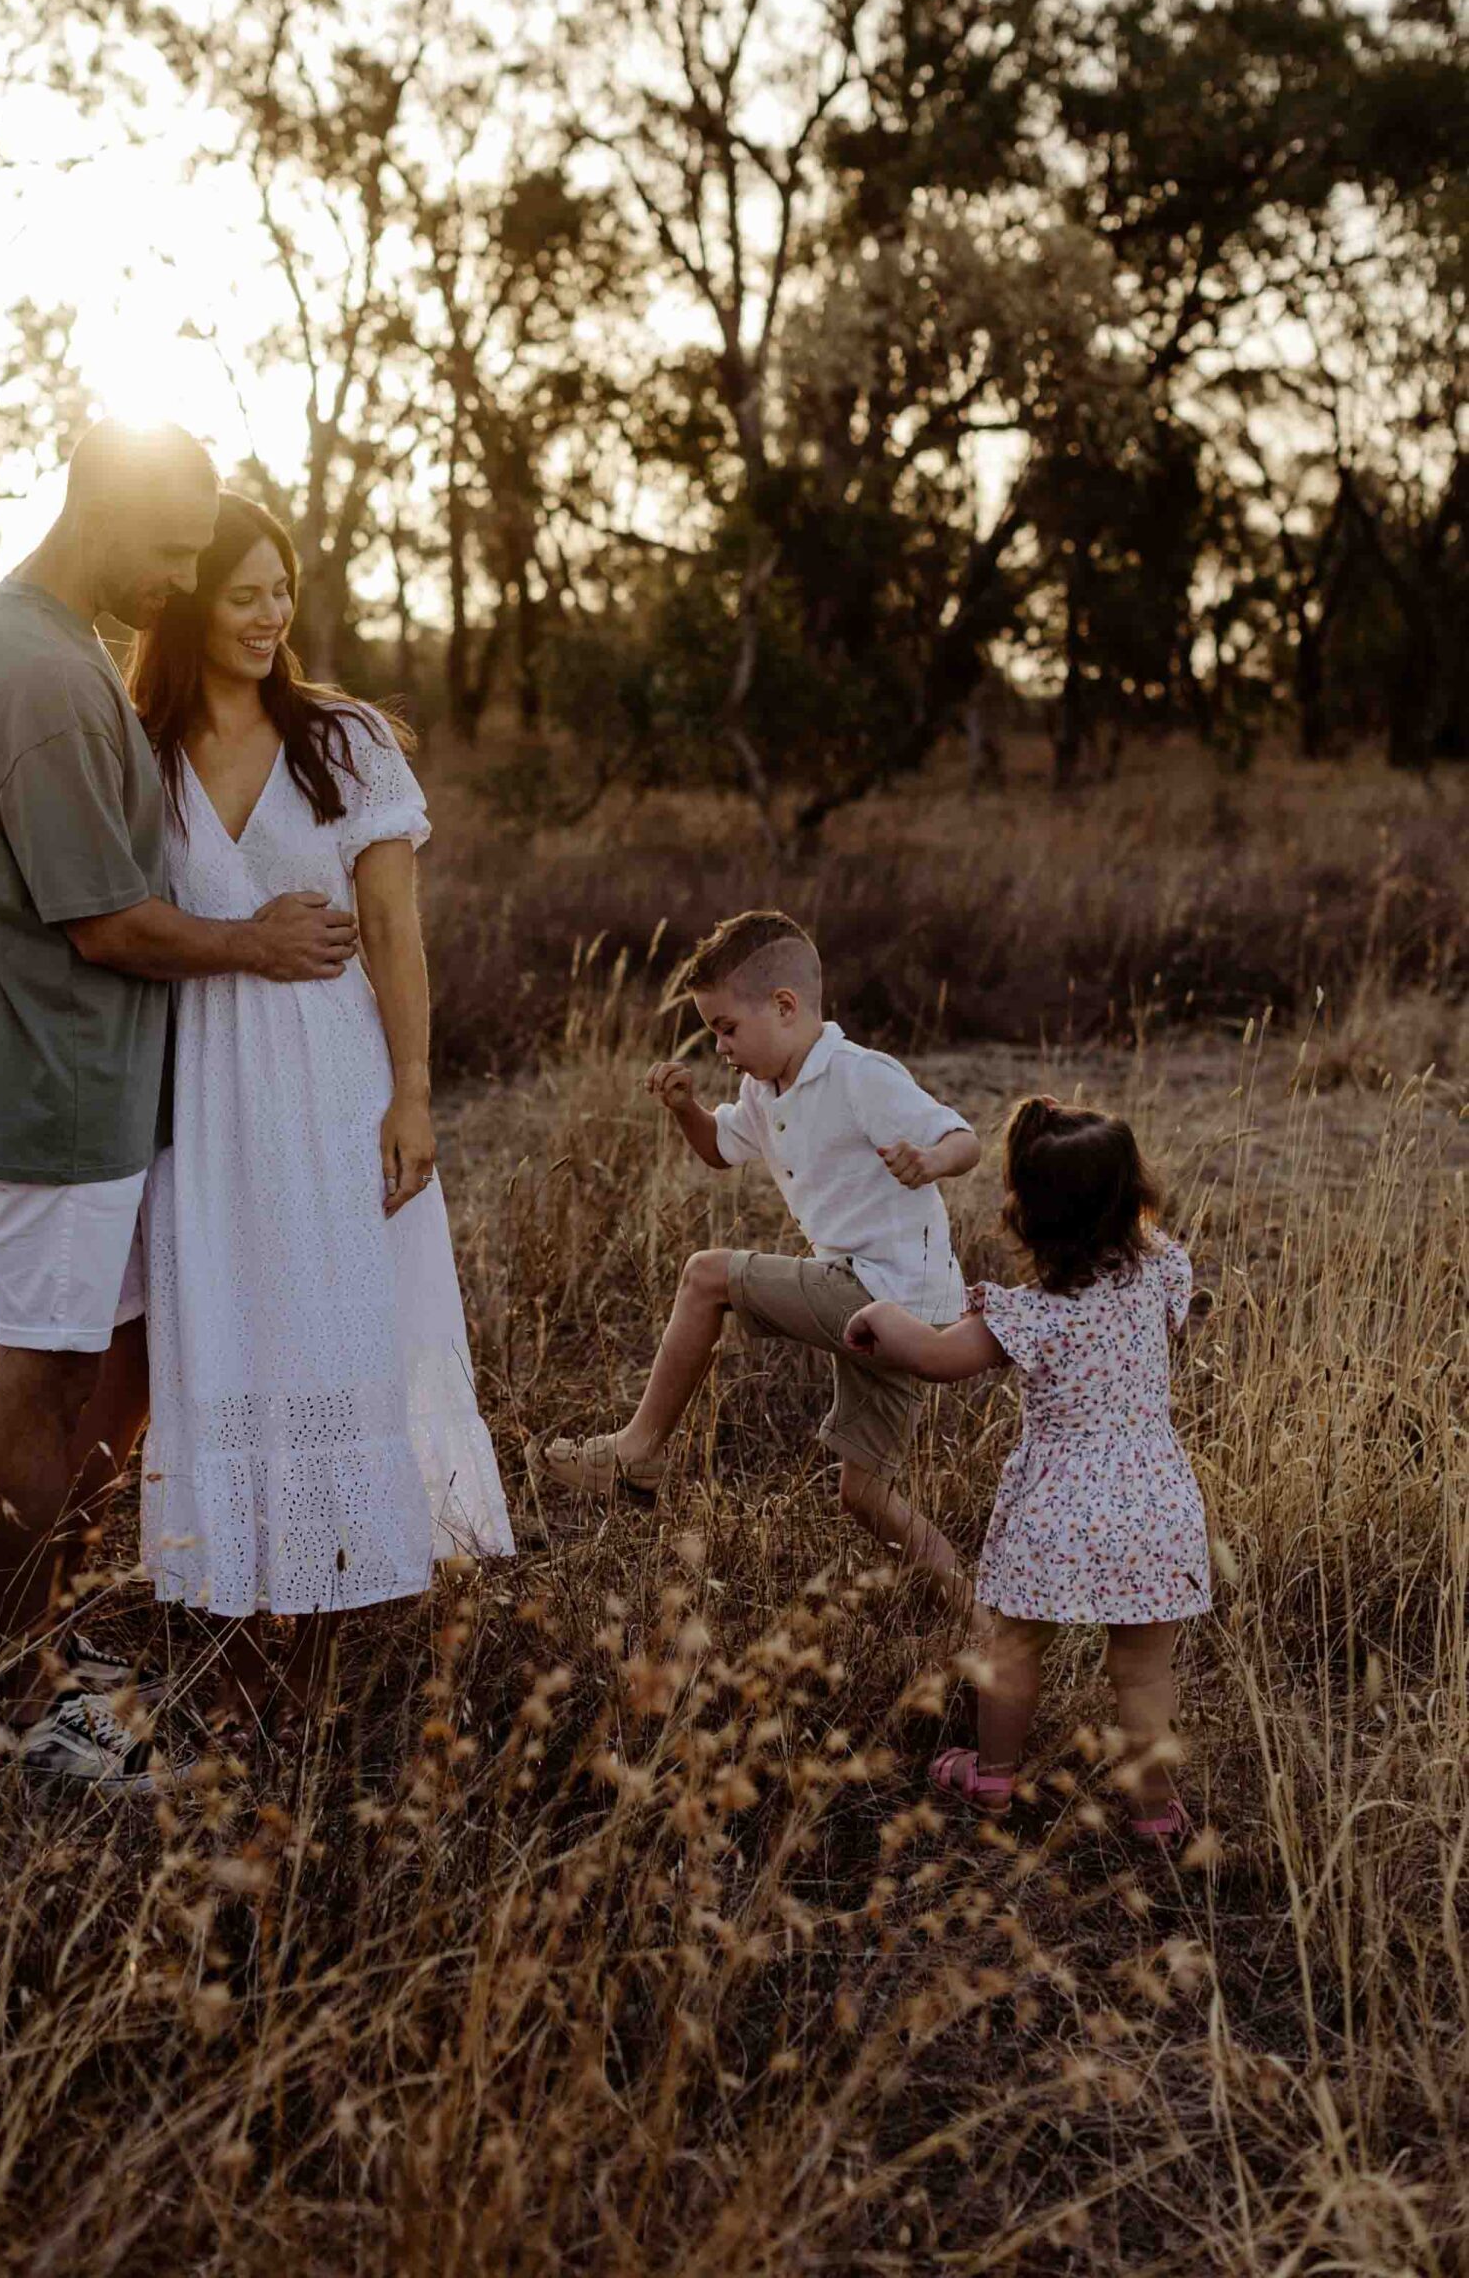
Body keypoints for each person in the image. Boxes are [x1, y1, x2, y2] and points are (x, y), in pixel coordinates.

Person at [0, 421, 361, 1788]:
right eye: (169, 550)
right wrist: (254, 944)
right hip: (60, 1078)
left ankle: (37, 1654)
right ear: (102, 508)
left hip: (99, 1081)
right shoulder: (38, 671)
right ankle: (4, 1703)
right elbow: (107, 921)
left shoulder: (42, 645)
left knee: (106, 1382)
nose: (178, 583)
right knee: (46, 1383)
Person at [126, 491, 513, 1727]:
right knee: (225, 1334)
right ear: (189, 603)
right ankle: (238, 1646)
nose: (268, 613)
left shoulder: (341, 739)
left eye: (279, 590)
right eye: (240, 592)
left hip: (334, 1078)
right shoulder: (140, 745)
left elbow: (394, 933)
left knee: (339, 1332)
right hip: (206, 1085)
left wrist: (411, 1094)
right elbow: (93, 897)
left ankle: (334, 1655)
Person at [531, 910, 983, 1623]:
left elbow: (965, 1139)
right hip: (872, 1301)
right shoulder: (761, 1090)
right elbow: (719, 1151)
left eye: (727, 1028)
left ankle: (638, 1451)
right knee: (863, 1496)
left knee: (706, 1276)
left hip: (889, 1294)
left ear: (784, 1007)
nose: (719, 1046)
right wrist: (685, 1111)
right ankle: (979, 1616)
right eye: (711, 1031)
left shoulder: (860, 1076)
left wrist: (929, 1160)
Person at [843, 1095, 1210, 1850]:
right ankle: (1156, 1817)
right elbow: (1161, 1272)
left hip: (1058, 1513)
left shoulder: (1032, 1313)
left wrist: (880, 1315)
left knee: (1013, 1650)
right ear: (1136, 1197)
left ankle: (993, 1775)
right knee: (1143, 1676)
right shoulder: (1163, 1271)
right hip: (1155, 1505)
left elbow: (938, 1359)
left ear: (1023, 1218)